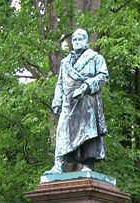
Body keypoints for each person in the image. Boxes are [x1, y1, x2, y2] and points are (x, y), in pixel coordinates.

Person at [44, 29, 108, 175]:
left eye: (80, 39)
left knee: (87, 132)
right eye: (75, 40)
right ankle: (59, 164)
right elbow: (60, 83)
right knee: (62, 130)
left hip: (86, 101)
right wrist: (57, 101)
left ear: (86, 41)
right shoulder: (65, 62)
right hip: (68, 102)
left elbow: (103, 76)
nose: (77, 42)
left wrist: (87, 86)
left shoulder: (95, 58)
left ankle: (87, 164)